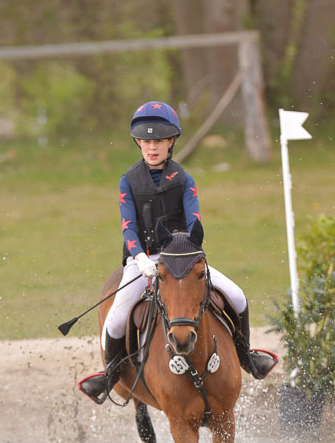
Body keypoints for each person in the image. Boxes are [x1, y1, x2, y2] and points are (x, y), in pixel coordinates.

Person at [79, 101, 277, 404]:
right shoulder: (128, 181)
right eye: (146, 141)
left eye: (158, 141)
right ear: (138, 143)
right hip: (142, 261)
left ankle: (245, 356)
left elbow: (194, 221)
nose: (151, 147)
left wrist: (185, 251)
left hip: (183, 259)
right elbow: (128, 227)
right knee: (116, 317)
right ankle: (111, 374)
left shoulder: (184, 180)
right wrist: (141, 258)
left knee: (236, 295)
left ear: (171, 142)